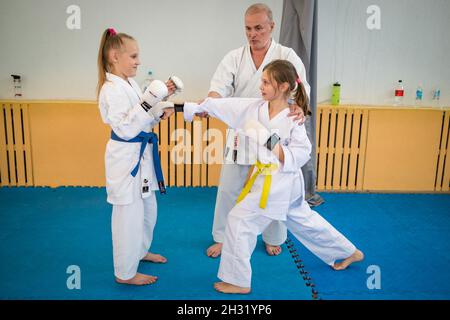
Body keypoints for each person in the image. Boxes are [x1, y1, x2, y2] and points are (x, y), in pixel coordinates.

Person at [182, 59, 364, 294]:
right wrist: (193, 108)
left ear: (284, 86)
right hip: (272, 180)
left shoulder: (293, 117)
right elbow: (227, 106)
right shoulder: (256, 107)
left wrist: (269, 141)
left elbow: (302, 152)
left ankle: (238, 281)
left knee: (239, 220)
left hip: (279, 181)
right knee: (305, 221)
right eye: (262, 81)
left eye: (266, 82)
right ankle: (349, 252)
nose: (261, 86)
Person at [202, 3, 311, 258]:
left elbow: (301, 87)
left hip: (275, 132)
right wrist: (212, 102)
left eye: (259, 28)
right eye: (249, 29)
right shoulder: (234, 57)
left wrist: (299, 108)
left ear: (271, 27)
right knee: (230, 185)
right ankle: (222, 236)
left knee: (273, 185)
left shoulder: (286, 55)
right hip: (243, 130)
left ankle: (273, 236)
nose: (253, 33)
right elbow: (218, 87)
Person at [97, 28, 178, 286]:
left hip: (141, 156)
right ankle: (125, 272)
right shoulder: (111, 89)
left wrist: (160, 109)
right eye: (132, 56)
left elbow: (142, 118)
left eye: (137, 56)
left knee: (147, 210)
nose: (138, 61)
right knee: (127, 217)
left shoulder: (130, 83)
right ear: (113, 56)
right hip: (126, 159)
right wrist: (148, 103)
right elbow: (125, 127)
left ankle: (140, 251)